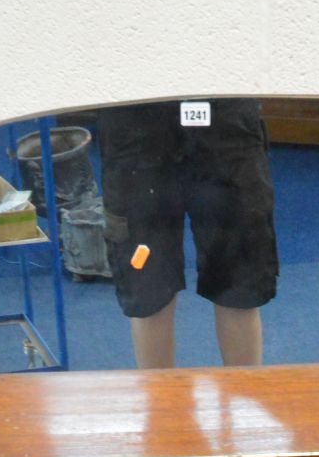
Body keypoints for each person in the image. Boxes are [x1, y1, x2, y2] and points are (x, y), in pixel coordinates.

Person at [98, 98, 279, 369]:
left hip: (224, 114)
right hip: (135, 119)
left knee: (241, 284)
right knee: (148, 290)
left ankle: (244, 405)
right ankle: (161, 408)